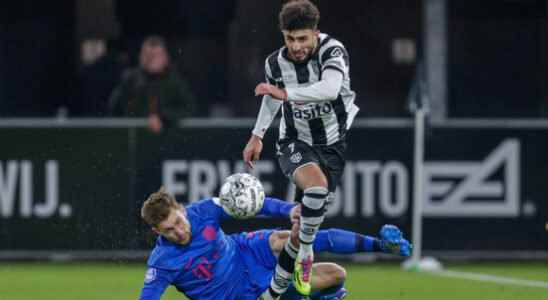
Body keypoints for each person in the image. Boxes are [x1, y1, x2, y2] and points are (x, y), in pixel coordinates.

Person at [242, 0, 359, 297]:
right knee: (316, 188)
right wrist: (257, 135)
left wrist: (284, 93)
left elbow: (331, 88)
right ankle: (306, 253)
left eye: (302, 38)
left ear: (315, 33)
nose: (296, 46)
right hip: (294, 142)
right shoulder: (275, 63)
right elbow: (270, 101)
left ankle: (274, 293)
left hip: (332, 146)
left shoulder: (332, 51)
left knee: (299, 226)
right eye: (290, 39)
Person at [139, 174, 411, 300]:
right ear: (157, 233)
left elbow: (255, 203)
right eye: (169, 231)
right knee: (336, 275)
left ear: (181, 209)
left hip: (245, 251)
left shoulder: (204, 211)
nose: (179, 231)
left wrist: (290, 209)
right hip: (237, 295)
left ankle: (382, 245)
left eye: (178, 221)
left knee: (291, 235)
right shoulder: (162, 262)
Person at [109, 35, 196, 133]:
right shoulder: (131, 79)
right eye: (147, 55)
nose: (151, 59)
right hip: (135, 136)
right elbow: (115, 108)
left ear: (165, 57)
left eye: (156, 55)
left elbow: (189, 108)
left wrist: (163, 117)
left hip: (169, 136)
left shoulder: (175, 80)